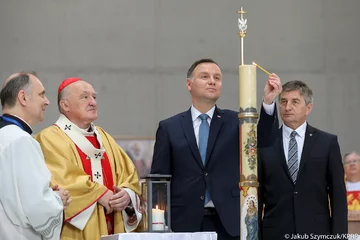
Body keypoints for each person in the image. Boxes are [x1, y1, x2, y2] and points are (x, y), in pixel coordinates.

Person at [150, 58, 281, 240]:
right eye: (204, 76)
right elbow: (160, 179)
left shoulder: (237, 121)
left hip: (230, 222)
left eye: (217, 78)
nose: (212, 81)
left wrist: (268, 103)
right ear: (189, 84)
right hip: (183, 222)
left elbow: (264, 144)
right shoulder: (169, 128)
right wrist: (160, 225)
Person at [35, 78, 142, 240]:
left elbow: (129, 176)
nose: (93, 102)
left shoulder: (105, 138)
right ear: (65, 105)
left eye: (94, 97)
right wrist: (99, 194)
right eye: (85, 97)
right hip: (74, 232)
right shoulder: (49, 138)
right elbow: (61, 180)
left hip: (112, 226)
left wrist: (127, 195)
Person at [258, 80, 348, 239]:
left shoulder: (327, 143)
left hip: (317, 232)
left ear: (308, 108)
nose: (287, 107)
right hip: (275, 233)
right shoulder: (266, 143)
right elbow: (256, 196)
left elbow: (338, 197)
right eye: (283, 101)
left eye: (295, 102)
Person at [0, 72, 71, 240]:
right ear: (23, 97)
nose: (46, 101)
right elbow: (36, 207)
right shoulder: (20, 141)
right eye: (41, 94)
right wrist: (57, 199)